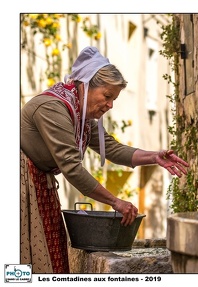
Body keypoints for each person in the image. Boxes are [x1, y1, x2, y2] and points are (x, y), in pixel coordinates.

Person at [20, 46, 189, 273]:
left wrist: (154, 157)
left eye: (114, 99)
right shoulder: (53, 108)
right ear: (87, 85)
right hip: (22, 183)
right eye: (107, 96)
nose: (110, 105)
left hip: (39, 182)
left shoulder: (79, 114)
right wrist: (115, 202)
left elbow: (110, 148)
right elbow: (72, 168)